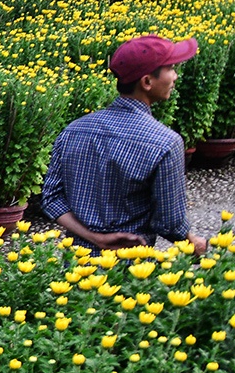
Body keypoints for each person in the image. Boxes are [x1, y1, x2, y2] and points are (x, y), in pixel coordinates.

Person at [41, 34, 207, 255]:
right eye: (170, 68)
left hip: (75, 265)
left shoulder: (73, 130)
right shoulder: (165, 143)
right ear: (147, 82)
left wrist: (96, 238)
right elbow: (169, 223)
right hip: (131, 266)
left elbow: (52, 199)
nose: (175, 76)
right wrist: (192, 240)